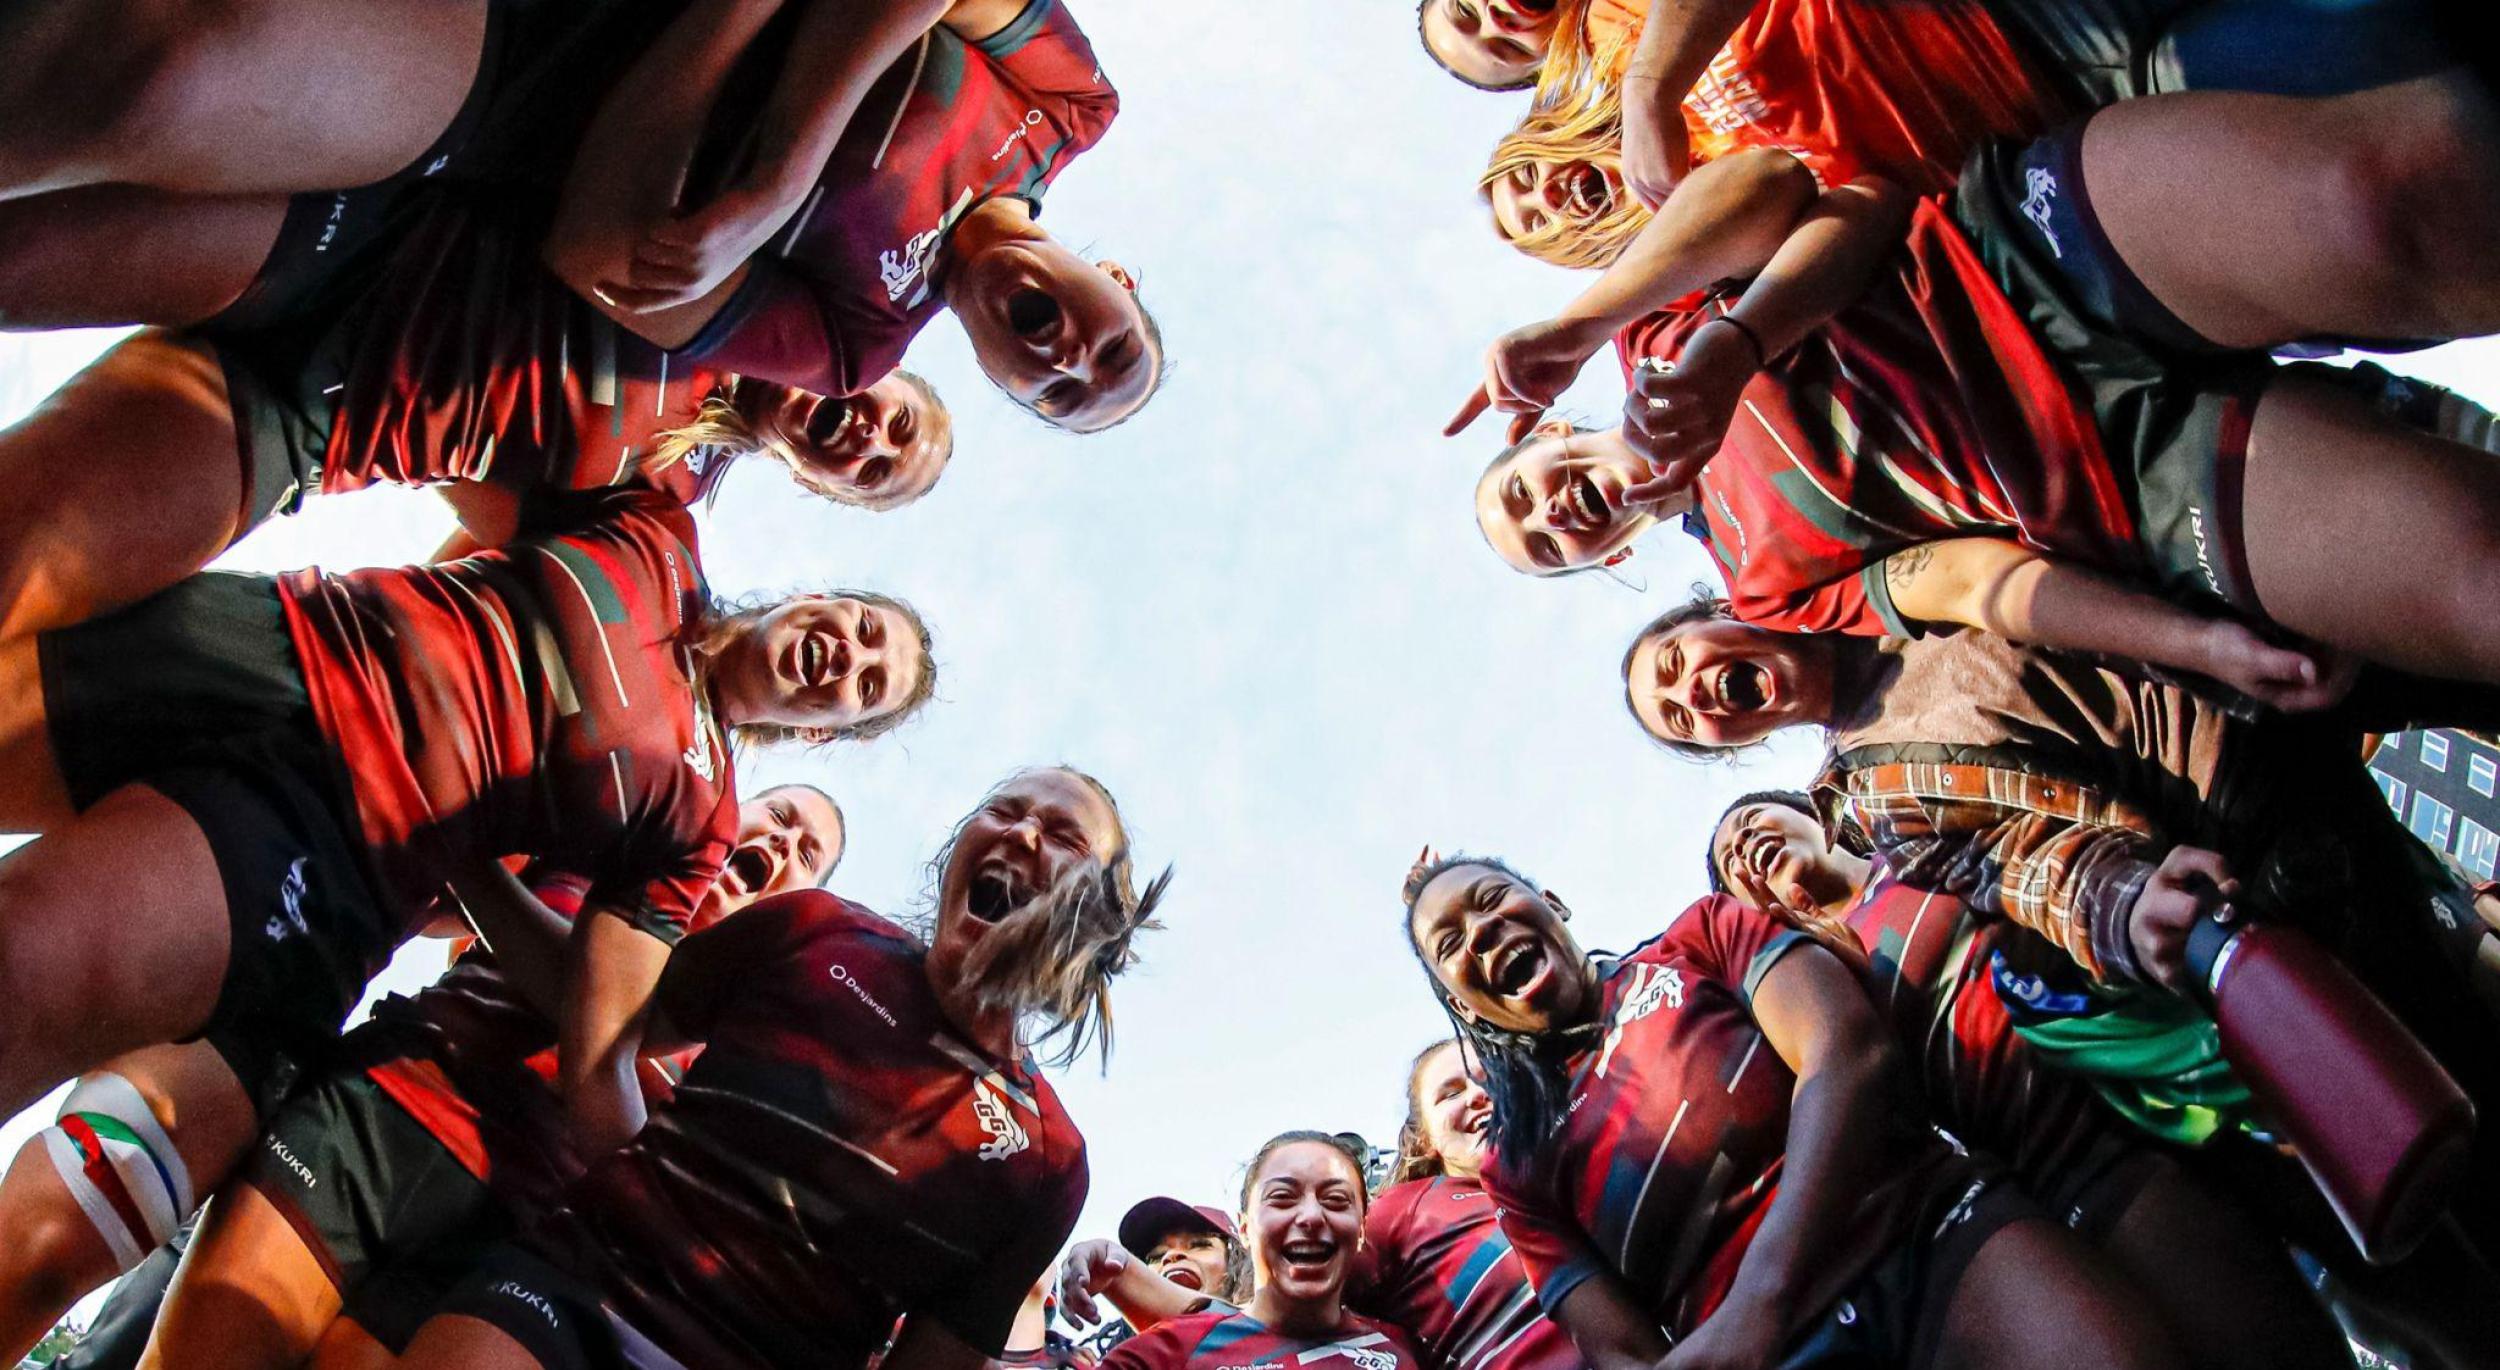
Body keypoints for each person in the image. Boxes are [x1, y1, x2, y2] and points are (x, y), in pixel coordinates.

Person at [0, 481, 934, 1356]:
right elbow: (482, 476)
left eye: (865, 685)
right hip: (300, 759)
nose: (848, 656)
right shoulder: (655, 549)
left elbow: (595, 1038)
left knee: (75, 1208)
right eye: (859, 629)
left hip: (481, 1183)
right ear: (815, 600)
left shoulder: (693, 862)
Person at [1623, 602, 2500, 1240]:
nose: (1696, 697)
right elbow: (2023, 865)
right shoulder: (1874, 804)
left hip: (2288, 632)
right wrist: (2130, 907)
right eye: (1684, 722)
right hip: (2256, 834)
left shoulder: (1894, 576)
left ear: (1719, 612)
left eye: (1674, 664)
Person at [1467, 168, 2500, 694]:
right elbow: (1971, 582)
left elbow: (1814, 191)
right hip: (2128, 474)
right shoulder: (1759, 587)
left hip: (2028, 264)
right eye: (1550, 547)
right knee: (2475, 587)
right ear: (1603, 559)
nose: (1554, 515)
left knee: (2374, 211)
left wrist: (1653, 330)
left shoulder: (1645, 324)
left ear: (1549, 431)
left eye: (1524, 491)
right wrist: (2196, 641)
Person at [387, 766, 1169, 1369]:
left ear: (1099, 920)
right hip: (570, 1289)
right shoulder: (818, 930)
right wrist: (470, 859)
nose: (1023, 831)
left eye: (1061, 833)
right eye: (1004, 810)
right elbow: (601, 1010)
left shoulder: (1049, 1162)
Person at [0, 197, 951, 646]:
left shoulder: (662, 506)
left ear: (817, 486)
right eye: (896, 423)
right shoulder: (755, 257)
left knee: (24, 552)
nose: (868, 440)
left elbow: (472, 571)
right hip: (337, 240)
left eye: (874, 472)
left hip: (299, 418)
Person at [111, 787, 840, 1369]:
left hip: (510, 1230)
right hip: (380, 1115)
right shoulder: (598, 856)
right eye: (779, 816)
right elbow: (415, 895)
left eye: (807, 855)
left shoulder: (741, 1046)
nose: (782, 844)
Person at [1404, 853, 2186, 1368]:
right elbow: (1620, 1351)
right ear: (1459, 1000)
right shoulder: (1516, 1165)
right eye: (1450, 943)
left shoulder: (1698, 936)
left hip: (1930, 1236)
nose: (1479, 932)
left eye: (1490, 900)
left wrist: (1761, 1300)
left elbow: (1849, 1054)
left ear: (1550, 901)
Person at [1705, 793, 2356, 1370]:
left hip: (2192, 1062)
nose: (1743, 844)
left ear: (1808, 811)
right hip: (2087, 1164)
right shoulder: (1821, 983)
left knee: (2399, 1268)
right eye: (1728, 858)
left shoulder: (1915, 844)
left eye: (1750, 818)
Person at [1097, 1132, 1426, 1370]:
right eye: (1282, 1198)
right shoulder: (1170, 1351)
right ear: (1243, 1230)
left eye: (1336, 1200)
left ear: (1361, 1231)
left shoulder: (1405, 1346)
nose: (1311, 1216)